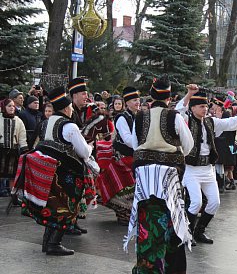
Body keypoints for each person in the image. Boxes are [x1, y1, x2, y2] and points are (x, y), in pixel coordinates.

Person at [124, 75, 194, 273]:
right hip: (169, 181)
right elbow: (188, 147)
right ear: (169, 98)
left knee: (147, 219)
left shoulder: (140, 117)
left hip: (146, 181)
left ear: (151, 96)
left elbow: (136, 146)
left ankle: (148, 267)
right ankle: (173, 268)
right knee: (173, 220)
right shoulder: (175, 117)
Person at [18, 87, 96, 256]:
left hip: (47, 173)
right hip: (65, 174)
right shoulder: (70, 126)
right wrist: (90, 147)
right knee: (66, 208)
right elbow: (83, 152)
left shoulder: (46, 123)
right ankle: (54, 243)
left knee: (51, 207)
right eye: (70, 108)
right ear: (67, 108)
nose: (72, 110)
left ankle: (48, 242)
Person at [175, 85, 237, 245]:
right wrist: (189, 94)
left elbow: (230, 123)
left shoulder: (211, 122)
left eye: (206, 106)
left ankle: (199, 231)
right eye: (201, 106)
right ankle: (186, 233)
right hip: (191, 170)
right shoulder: (185, 120)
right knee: (196, 202)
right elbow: (179, 110)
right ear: (192, 108)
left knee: (215, 202)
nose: (205, 108)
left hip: (208, 169)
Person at [97, 87, 139, 225]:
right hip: (122, 157)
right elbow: (127, 139)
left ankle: (127, 213)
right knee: (125, 186)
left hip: (132, 156)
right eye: (134, 100)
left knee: (133, 186)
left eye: (138, 99)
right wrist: (143, 144)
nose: (137, 102)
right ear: (127, 103)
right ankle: (123, 214)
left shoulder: (137, 116)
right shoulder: (122, 118)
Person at [0, 99, 28, 196]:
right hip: (1, 150)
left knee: (13, 174)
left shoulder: (18, 121)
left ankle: (13, 194)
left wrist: (24, 149)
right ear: (3, 107)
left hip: (13, 151)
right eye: (9, 106)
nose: (12, 108)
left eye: (13, 106)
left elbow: (22, 136)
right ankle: (2, 191)